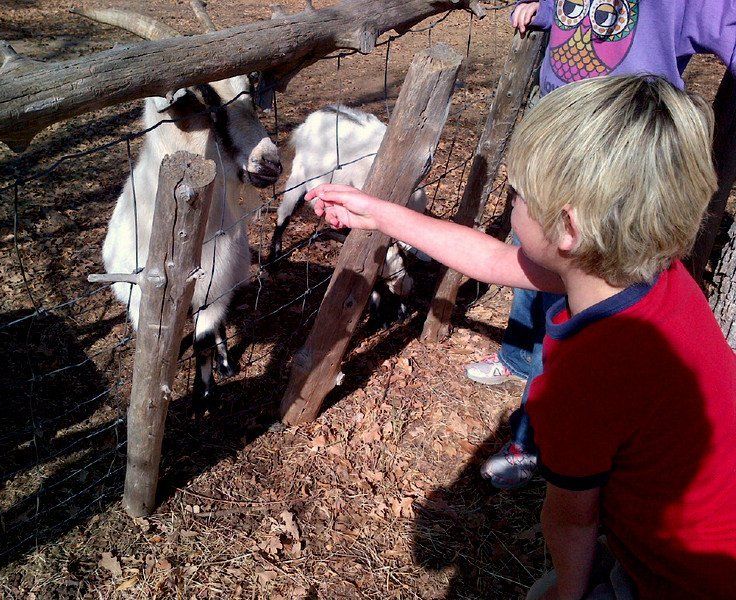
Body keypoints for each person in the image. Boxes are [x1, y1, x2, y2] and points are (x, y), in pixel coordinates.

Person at [307, 76, 736, 599]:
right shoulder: (649, 274)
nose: (512, 203)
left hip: (685, 580)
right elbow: (490, 258)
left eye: (520, 194)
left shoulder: (587, 372)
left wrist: (566, 595)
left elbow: (573, 520)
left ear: (568, 229)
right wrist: (379, 213)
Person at [465, 0, 736, 490]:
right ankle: (517, 357)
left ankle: (534, 441)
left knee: (568, 315)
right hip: (562, 137)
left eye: (515, 193)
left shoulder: (596, 360)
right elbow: (572, 11)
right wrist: (542, 10)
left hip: (614, 159)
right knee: (534, 272)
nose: (512, 199)